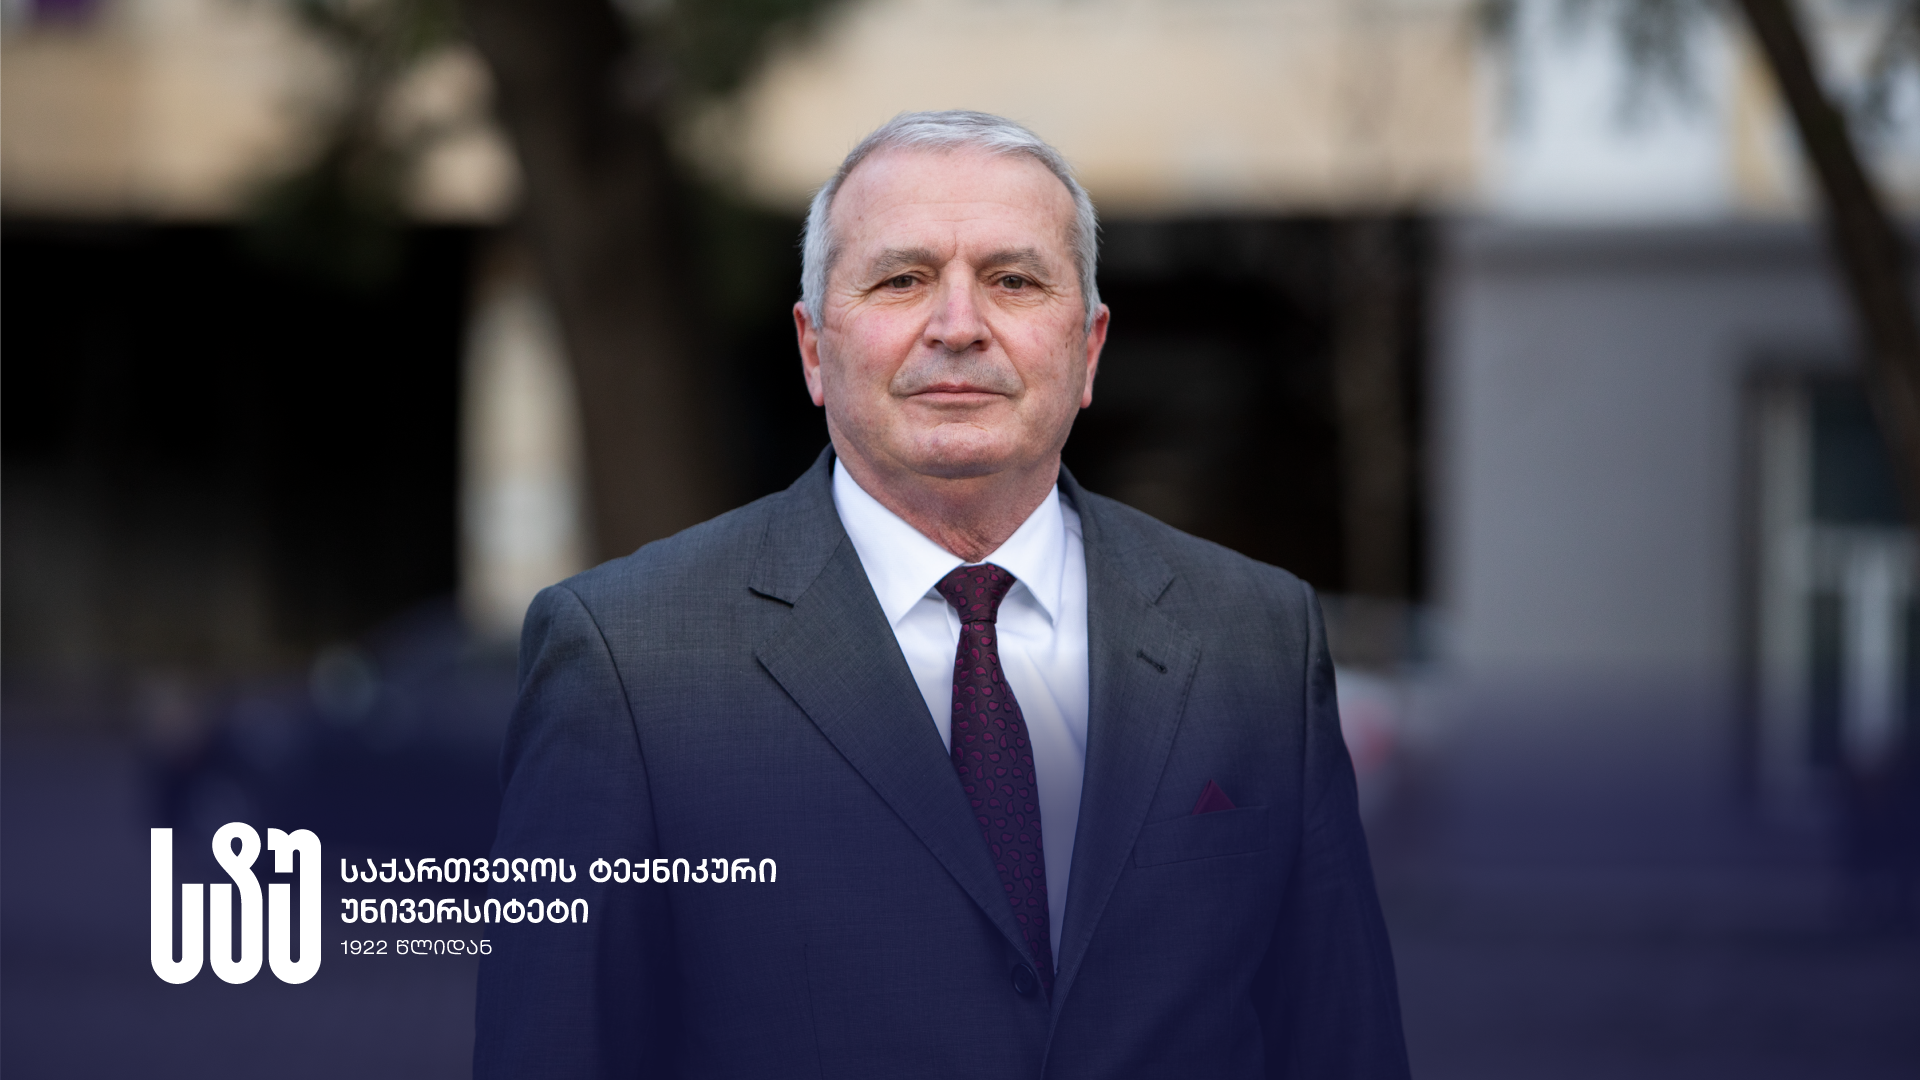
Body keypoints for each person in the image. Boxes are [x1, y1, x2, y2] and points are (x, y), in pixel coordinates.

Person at [473, 110, 1410, 1080]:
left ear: (1088, 349)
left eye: (1013, 281)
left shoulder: (1256, 636)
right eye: (902, 279)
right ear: (813, 348)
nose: (958, 326)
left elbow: (1342, 1044)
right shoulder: (629, 659)